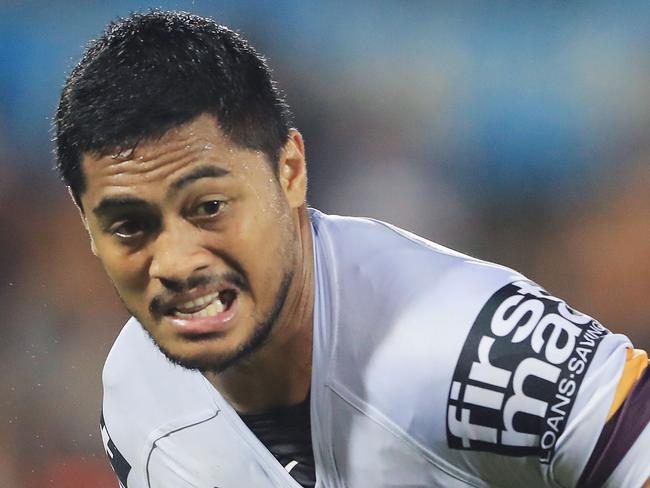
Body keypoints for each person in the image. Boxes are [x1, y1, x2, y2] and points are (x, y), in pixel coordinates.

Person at [54, 11, 649, 488]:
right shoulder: (139, 403)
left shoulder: (469, 349)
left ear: (289, 171)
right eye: (130, 226)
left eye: (209, 207)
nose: (177, 263)